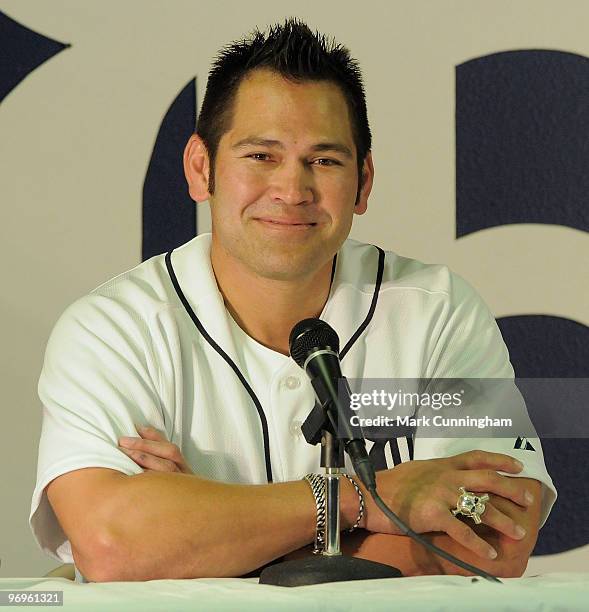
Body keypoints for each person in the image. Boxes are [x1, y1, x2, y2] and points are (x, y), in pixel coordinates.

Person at [30, 19, 556, 582]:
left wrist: (205, 538)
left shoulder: (437, 311)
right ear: (201, 167)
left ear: (364, 182)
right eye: (260, 156)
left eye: (325, 161)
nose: (292, 190)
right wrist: (365, 502)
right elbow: (113, 547)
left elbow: (496, 539)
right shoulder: (113, 329)